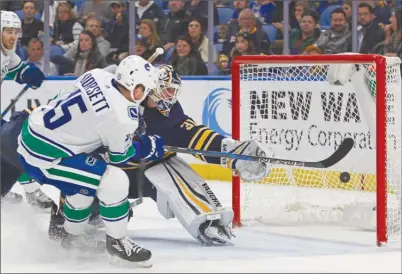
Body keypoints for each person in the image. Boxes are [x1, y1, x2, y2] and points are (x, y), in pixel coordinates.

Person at [49, 65, 274, 246]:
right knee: (85, 182)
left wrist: (233, 153)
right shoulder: (115, 100)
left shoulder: (168, 116)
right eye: (166, 90)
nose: (170, 97)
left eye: (173, 91)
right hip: (104, 175)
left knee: (169, 164)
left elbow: (196, 136)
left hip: (137, 177)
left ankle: (206, 218)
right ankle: (66, 219)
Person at [2, 55, 163, 267]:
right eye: (145, 89)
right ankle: (117, 243)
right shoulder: (123, 118)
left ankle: (71, 238)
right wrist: (146, 146)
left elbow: (67, 101)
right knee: (114, 180)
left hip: (30, 130)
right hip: (46, 156)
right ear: (135, 86)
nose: (145, 96)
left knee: (84, 184)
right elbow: (119, 156)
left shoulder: (96, 75)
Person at [1, 10, 45, 204]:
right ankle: (32, 190)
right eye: (8, 31)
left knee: (8, 145)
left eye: (15, 31)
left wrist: (29, 72)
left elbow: (18, 69)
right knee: (10, 144)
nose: (12, 36)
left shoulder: (7, 53)